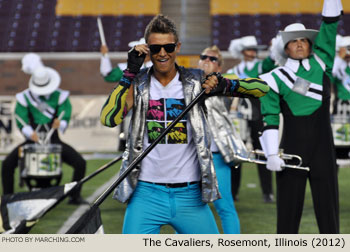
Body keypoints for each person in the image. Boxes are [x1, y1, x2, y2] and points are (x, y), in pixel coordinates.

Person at [100, 14, 269, 234]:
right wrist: (128, 74)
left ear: (177, 47)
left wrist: (223, 85)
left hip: (190, 196)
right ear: (147, 49)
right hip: (145, 195)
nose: (162, 53)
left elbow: (261, 88)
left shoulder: (197, 79)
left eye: (168, 47)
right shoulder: (138, 83)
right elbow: (108, 118)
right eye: (156, 48)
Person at [259, 0, 342, 233]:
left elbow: (329, 27)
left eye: (303, 40)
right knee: (287, 214)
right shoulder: (274, 77)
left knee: (329, 214)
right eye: (293, 41)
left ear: (309, 45)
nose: (298, 44)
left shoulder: (321, 62)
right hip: (292, 149)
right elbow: (270, 117)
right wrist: (272, 153)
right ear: (285, 48)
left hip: (324, 150)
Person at [1, 59, 87, 205]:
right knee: (7, 164)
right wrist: (29, 133)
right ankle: (8, 198)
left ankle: (74, 196)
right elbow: (20, 117)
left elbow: (65, 112)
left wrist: (61, 123)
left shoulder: (60, 96)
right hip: (31, 141)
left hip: (53, 141)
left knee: (80, 163)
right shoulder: (25, 97)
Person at [227, 35, 277, 203]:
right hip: (239, 115)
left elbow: (271, 62)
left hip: (257, 114)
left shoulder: (261, 66)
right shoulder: (234, 70)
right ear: (242, 52)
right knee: (237, 153)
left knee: (261, 151)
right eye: (250, 49)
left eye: (255, 49)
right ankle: (233, 192)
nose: (253, 52)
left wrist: (273, 49)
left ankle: (267, 192)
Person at [198, 45, 240, 233]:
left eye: (212, 59)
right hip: (192, 157)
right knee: (188, 208)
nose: (206, 60)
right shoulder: (186, 83)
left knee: (225, 207)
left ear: (219, 67)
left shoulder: (225, 85)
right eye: (204, 57)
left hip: (216, 157)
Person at [100, 38, 153, 151]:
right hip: (132, 106)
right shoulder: (127, 67)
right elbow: (108, 75)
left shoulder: (160, 66)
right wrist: (104, 56)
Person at [331, 35, 350, 160]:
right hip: (342, 105)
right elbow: (330, 75)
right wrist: (339, 58)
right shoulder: (338, 66)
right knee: (341, 141)